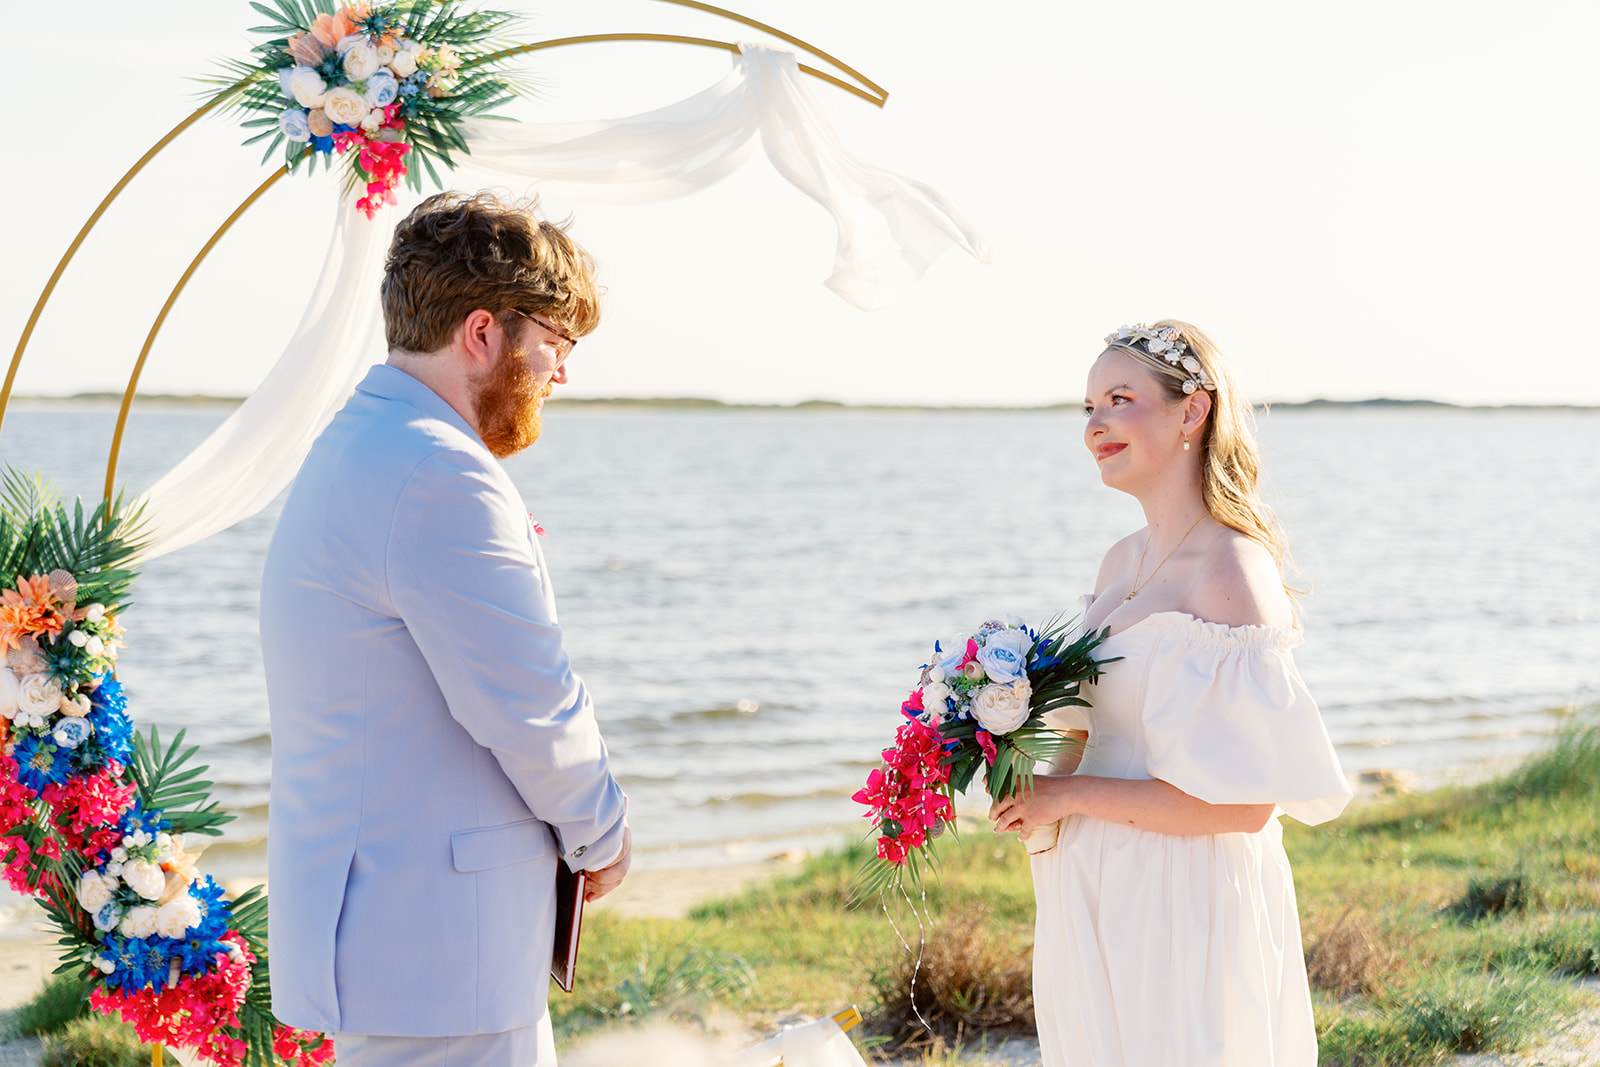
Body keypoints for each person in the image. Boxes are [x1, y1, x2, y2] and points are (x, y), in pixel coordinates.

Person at [260, 191, 632, 1066]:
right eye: (554, 344)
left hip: (394, 933)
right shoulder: (440, 474)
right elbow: (528, 701)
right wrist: (602, 834)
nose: (560, 373)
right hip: (438, 948)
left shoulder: (358, 441)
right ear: (482, 333)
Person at [988, 321, 1352, 1066]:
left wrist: (1073, 797)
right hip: (1093, 884)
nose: (1095, 425)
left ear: (1192, 411)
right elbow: (1096, 729)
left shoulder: (1232, 571)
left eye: (1120, 399)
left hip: (1186, 897)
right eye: (1088, 405)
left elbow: (1248, 803)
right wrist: (1017, 769)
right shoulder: (1120, 560)